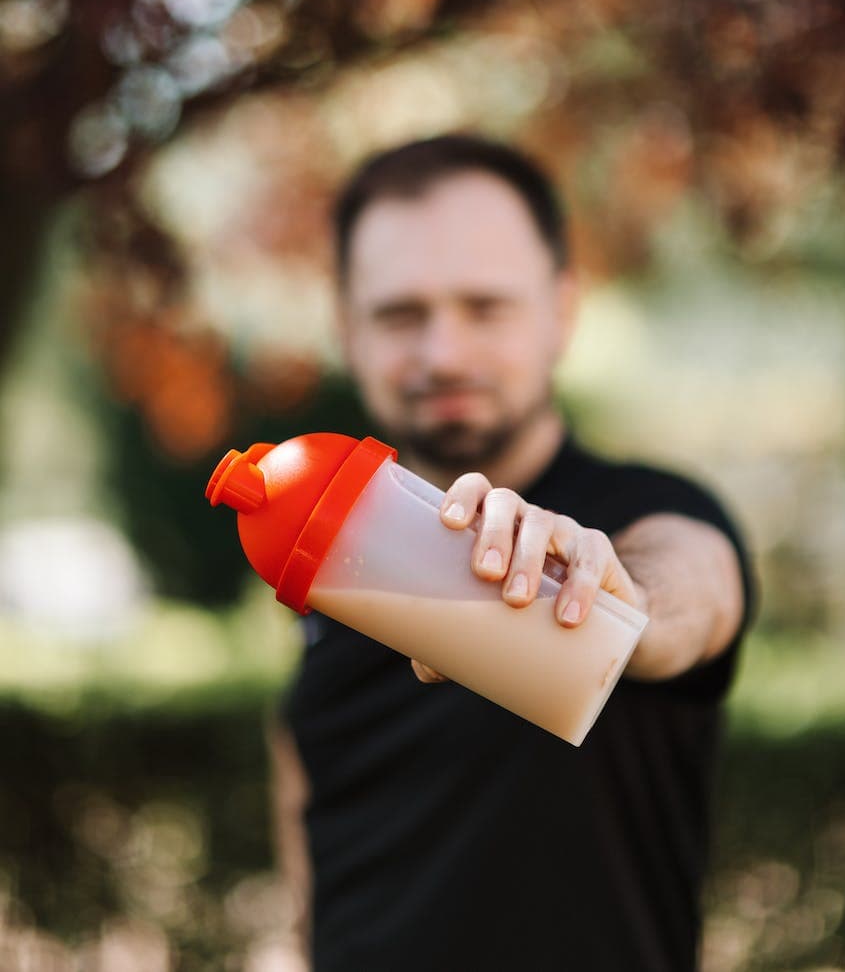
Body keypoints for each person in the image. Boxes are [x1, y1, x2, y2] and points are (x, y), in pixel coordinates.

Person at [269, 133, 754, 972]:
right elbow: (316, 860)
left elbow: (688, 591)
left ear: (561, 310)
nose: (443, 353)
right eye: (400, 314)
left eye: (485, 306)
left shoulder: (651, 514)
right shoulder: (333, 575)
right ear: (345, 327)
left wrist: (616, 601)